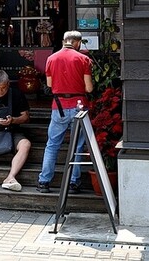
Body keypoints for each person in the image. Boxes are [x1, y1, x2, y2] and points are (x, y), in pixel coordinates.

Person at [37, 30, 94, 194]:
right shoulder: (84, 59)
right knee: (78, 144)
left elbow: (49, 85)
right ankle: (73, 182)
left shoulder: (51, 59)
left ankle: (44, 181)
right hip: (79, 106)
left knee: (52, 145)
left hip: (59, 106)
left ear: (64, 41)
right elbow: (89, 87)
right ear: (77, 43)